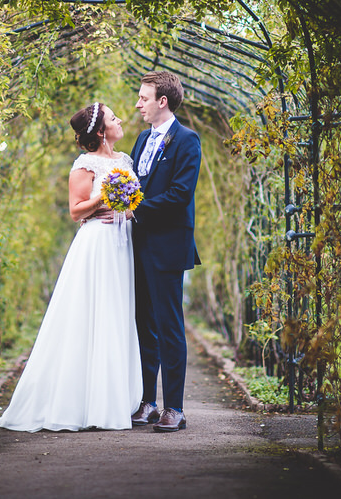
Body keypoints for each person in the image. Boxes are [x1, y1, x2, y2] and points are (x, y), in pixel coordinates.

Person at [0, 102, 141, 431]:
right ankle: (84, 404)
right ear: (101, 131)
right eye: (114, 117)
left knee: (117, 316)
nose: (120, 119)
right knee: (91, 317)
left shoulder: (125, 160)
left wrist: (126, 210)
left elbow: (131, 206)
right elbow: (76, 211)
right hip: (96, 247)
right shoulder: (85, 165)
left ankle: (113, 400)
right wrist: (106, 197)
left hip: (121, 246)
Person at [128, 71, 202, 432]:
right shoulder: (142, 140)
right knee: (144, 325)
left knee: (169, 326)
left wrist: (135, 208)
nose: (138, 104)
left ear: (162, 101)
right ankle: (148, 403)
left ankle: (175, 407)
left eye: (144, 98)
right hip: (137, 245)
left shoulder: (187, 140)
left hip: (168, 246)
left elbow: (179, 195)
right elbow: (136, 184)